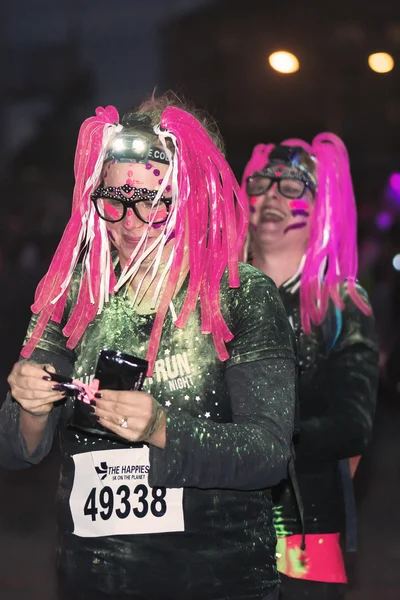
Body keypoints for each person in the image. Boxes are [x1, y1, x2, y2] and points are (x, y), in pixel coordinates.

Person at [0, 96, 297, 600]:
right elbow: (16, 452)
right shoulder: (74, 293)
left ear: (193, 200)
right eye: (114, 199)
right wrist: (28, 407)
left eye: (153, 203)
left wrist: (161, 428)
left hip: (215, 580)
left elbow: (268, 454)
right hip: (91, 578)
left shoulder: (242, 295)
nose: (129, 223)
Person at [242, 135, 379, 600]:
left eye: (294, 186)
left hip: (304, 536)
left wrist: (260, 443)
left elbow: (353, 427)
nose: (274, 195)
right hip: (215, 529)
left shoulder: (340, 303)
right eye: (262, 183)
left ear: (322, 208)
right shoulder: (216, 295)